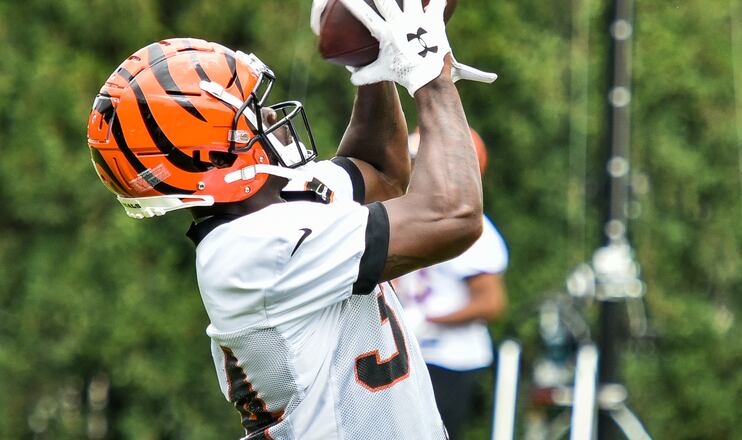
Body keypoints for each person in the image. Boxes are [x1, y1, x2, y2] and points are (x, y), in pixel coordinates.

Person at [85, 0, 496, 438]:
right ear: (216, 157)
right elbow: (454, 216)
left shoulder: (275, 207)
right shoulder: (249, 251)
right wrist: (430, 71)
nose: (272, 117)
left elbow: (381, 172)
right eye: (252, 114)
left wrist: (374, 61)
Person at [394, 128, 509, 440]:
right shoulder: (409, 215)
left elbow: (491, 303)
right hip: (411, 355)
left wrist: (428, 320)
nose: (413, 167)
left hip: (449, 360)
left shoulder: (474, 229)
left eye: (422, 160)